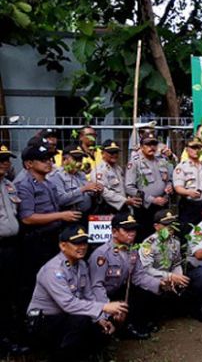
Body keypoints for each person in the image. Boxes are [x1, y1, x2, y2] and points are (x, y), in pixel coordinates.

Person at [26, 225, 128, 362]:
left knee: (101, 325)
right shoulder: (53, 270)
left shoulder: (81, 265)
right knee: (82, 318)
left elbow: (89, 296)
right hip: (44, 320)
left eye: (84, 243)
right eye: (76, 243)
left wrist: (101, 318)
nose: (82, 247)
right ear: (63, 246)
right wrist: (103, 307)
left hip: (66, 316)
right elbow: (68, 304)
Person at [17, 145, 81, 306]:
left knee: (54, 276)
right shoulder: (25, 185)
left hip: (52, 236)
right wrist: (61, 215)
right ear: (29, 164)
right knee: (35, 279)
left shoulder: (48, 183)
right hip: (36, 239)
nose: (49, 163)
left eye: (50, 159)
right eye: (43, 160)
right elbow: (27, 218)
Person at [88, 213, 162, 339]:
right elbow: (96, 287)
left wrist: (161, 283)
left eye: (133, 229)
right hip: (100, 297)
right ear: (114, 232)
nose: (132, 233)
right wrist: (109, 309)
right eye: (127, 230)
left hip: (119, 291)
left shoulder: (131, 250)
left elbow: (138, 276)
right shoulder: (102, 255)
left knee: (145, 290)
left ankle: (133, 323)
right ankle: (120, 327)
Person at [138, 210, 190, 328]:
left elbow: (177, 263)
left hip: (170, 278)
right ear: (156, 226)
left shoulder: (175, 241)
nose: (170, 227)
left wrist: (179, 277)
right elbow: (146, 270)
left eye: (172, 223)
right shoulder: (148, 244)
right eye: (166, 225)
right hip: (153, 279)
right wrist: (169, 277)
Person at [0, 145, 28, 356]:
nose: (5, 162)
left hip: (11, 248)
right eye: (1, 159)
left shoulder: (9, 185)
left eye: (7, 159)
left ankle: (10, 337)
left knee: (11, 294)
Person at [125, 132, 174, 241]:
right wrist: (152, 199)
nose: (152, 147)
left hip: (162, 205)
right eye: (148, 144)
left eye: (154, 144)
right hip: (145, 207)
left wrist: (169, 186)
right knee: (145, 238)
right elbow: (129, 187)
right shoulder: (135, 163)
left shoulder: (162, 161)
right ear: (142, 147)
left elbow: (169, 179)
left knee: (163, 237)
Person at [48, 144, 103, 224]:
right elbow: (60, 200)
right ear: (64, 160)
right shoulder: (57, 176)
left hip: (85, 215)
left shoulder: (81, 174)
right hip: (68, 218)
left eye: (80, 159)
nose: (79, 162)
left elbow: (88, 194)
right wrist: (83, 189)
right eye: (75, 159)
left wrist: (95, 191)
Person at [173, 136, 202, 238]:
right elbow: (178, 187)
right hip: (189, 205)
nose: (196, 150)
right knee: (187, 232)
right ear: (187, 149)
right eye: (193, 148)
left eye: (198, 148)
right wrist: (189, 192)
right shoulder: (182, 167)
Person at [93, 140, 142, 214]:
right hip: (107, 209)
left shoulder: (118, 168)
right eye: (111, 152)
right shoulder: (99, 170)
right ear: (102, 153)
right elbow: (104, 192)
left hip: (122, 207)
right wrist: (124, 201)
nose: (114, 155)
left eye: (116, 152)